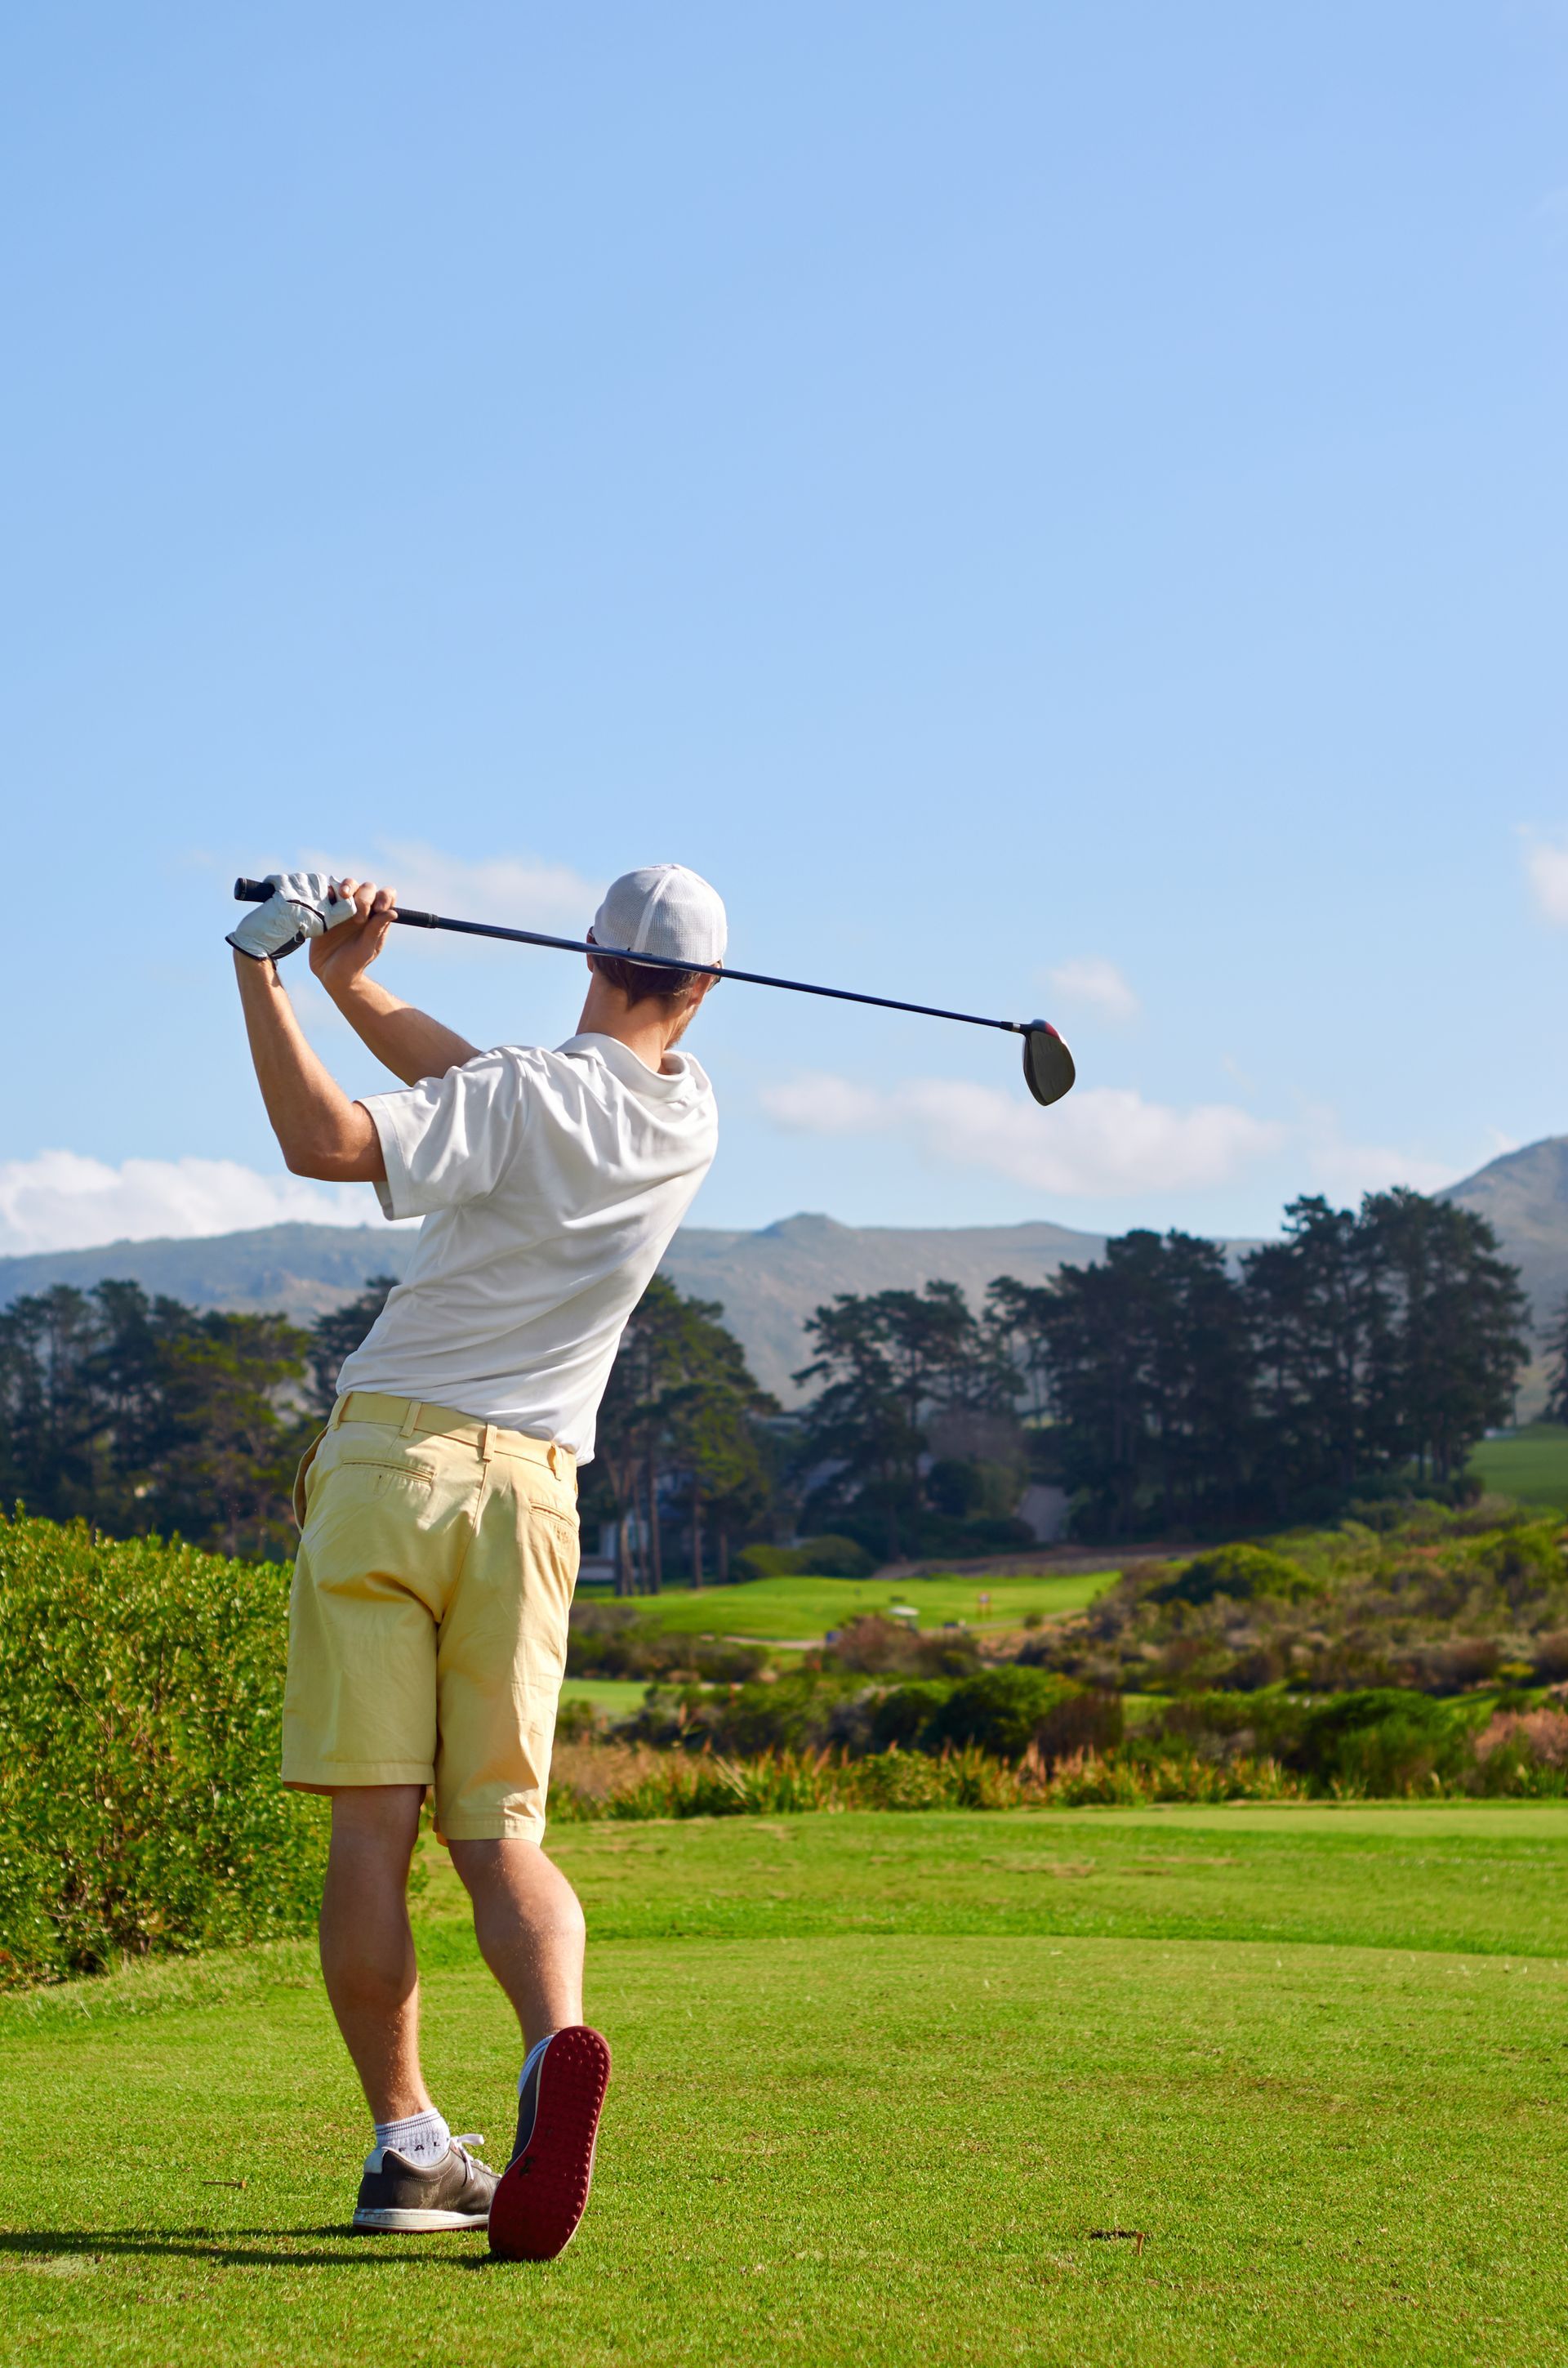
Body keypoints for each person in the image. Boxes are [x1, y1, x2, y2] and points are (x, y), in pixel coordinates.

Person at [228, 861, 723, 2259]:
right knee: (499, 1832)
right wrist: (359, 984)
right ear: (700, 993)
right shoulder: (686, 1115)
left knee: (372, 1831)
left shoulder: (516, 1096)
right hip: (535, 1495)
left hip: (391, 1470)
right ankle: (551, 2050)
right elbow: (484, 1090)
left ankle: (405, 2148)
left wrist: (266, 975)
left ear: (590, 953)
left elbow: (335, 1141)